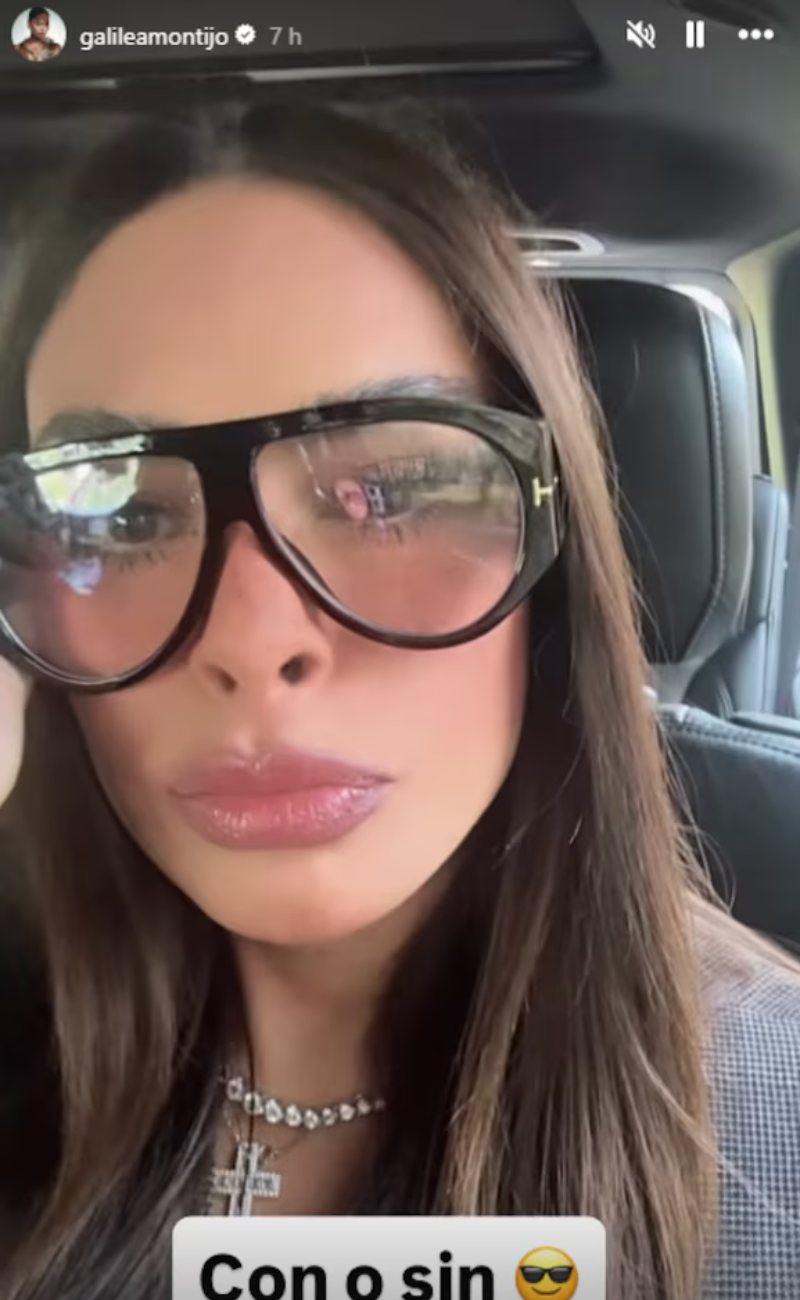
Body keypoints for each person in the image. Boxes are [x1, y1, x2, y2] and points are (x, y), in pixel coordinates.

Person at [0, 99, 797, 1300]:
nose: (253, 642)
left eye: (395, 490)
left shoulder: (774, 1137)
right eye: (120, 517)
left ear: (552, 552)